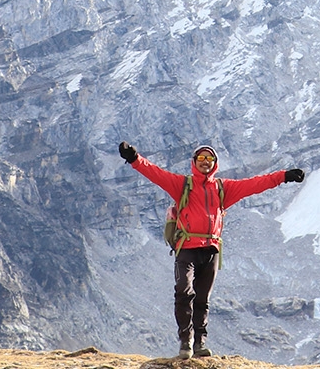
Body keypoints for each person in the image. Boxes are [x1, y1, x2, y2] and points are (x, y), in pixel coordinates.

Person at [118, 141, 306, 359]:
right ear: (194, 162)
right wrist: (133, 158)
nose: (205, 163)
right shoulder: (182, 185)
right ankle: (185, 341)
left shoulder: (223, 189)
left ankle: (199, 344)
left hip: (210, 250)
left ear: (215, 164)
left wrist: (284, 176)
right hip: (186, 248)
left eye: (210, 159)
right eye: (201, 159)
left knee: (202, 299)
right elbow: (155, 173)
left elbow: (256, 183)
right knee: (183, 292)